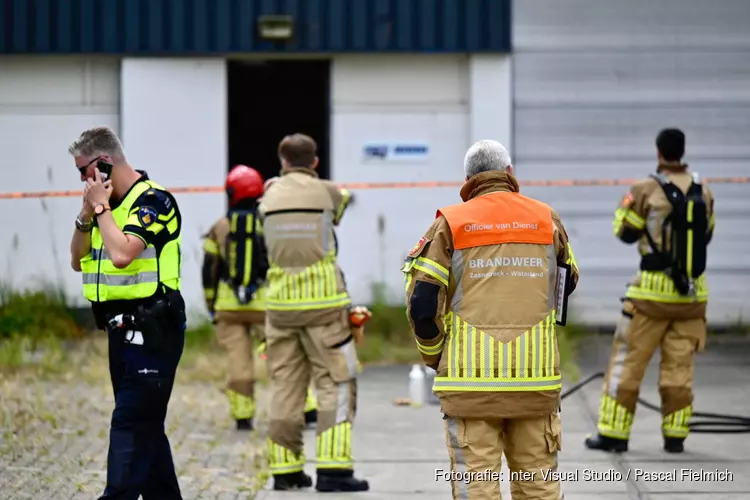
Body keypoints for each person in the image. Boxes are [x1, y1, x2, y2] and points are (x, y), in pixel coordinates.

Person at [402, 139, 580, 500]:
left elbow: (422, 305)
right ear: (510, 173)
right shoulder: (547, 218)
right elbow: (568, 279)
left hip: (470, 385)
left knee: (477, 489)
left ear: (468, 179)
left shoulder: (450, 223)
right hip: (536, 379)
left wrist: (436, 356)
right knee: (539, 489)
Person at [68, 126, 186, 500]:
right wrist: (88, 213)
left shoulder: (153, 201)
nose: (84, 181)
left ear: (103, 164)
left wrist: (101, 208)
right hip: (120, 333)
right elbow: (77, 260)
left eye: (84, 171)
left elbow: (122, 255)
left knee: (131, 426)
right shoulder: (105, 210)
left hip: (154, 330)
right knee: (146, 428)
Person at [584, 128, 715, 454]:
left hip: (650, 296)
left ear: (659, 153)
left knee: (628, 361)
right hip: (692, 296)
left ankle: (613, 435)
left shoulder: (645, 188)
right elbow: (707, 236)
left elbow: (624, 231)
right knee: (679, 366)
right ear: (682, 152)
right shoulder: (704, 190)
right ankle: (675, 436)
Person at [259, 133, 369, 492]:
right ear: (316, 162)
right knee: (335, 381)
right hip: (323, 306)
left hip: (279, 307)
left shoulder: (268, 196)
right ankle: (334, 471)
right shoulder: (327, 192)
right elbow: (345, 201)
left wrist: (277, 182)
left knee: (286, 386)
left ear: (283, 161)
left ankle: (286, 471)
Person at [201, 164, 318, 431]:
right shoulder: (270, 223)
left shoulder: (220, 226)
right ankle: (308, 409)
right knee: (284, 358)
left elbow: (209, 271)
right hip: (268, 306)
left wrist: (212, 306)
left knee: (238, 362)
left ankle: (243, 417)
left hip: (228, 309)